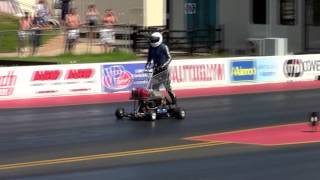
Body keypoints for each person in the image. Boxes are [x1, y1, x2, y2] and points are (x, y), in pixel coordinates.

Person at [145, 32, 177, 105]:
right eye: (152, 39)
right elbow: (149, 56)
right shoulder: (151, 47)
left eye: (155, 39)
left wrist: (164, 65)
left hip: (164, 70)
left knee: (167, 87)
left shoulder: (163, 47)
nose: (153, 41)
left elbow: (170, 58)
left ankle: (174, 100)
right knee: (154, 87)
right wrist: (148, 62)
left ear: (159, 39)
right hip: (156, 69)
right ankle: (161, 100)